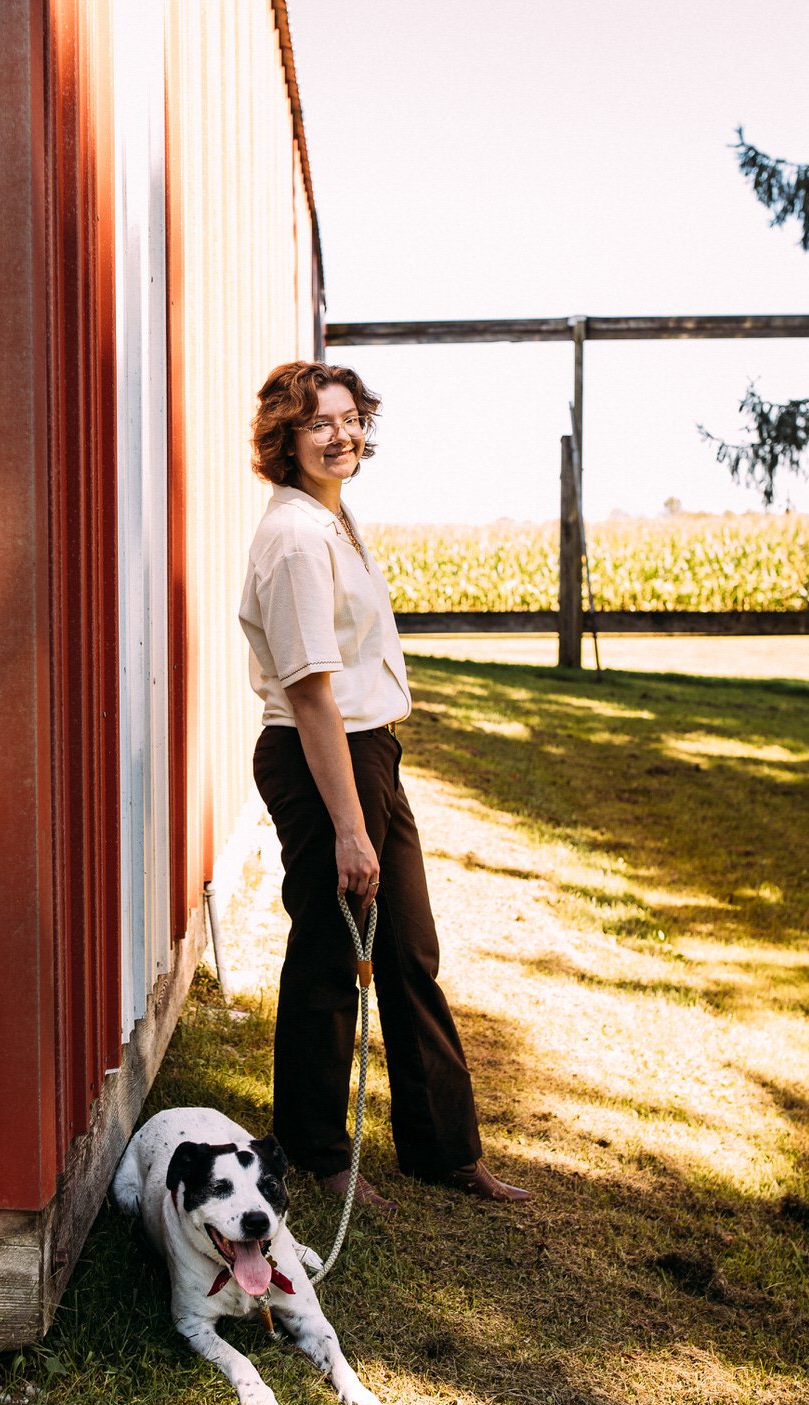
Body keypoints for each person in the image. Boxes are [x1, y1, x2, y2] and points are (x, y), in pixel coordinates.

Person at [238, 360, 530, 1209]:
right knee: (334, 950)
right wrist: (351, 829)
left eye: (350, 418)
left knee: (405, 949)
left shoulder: (332, 519)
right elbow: (310, 692)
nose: (342, 434)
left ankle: (443, 1148)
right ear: (283, 441)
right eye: (318, 423)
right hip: (319, 755)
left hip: (368, 749)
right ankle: (315, 1151)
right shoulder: (293, 537)